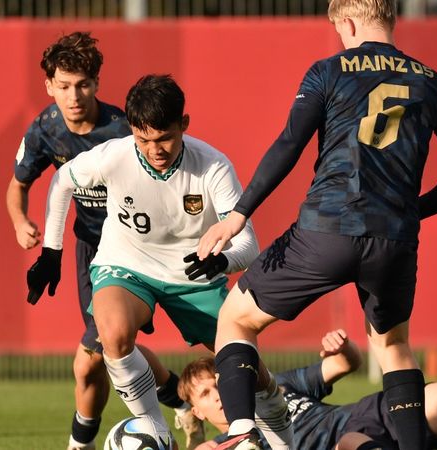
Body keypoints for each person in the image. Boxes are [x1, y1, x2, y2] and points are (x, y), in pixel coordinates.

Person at [195, 1, 437, 449]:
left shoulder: (329, 71)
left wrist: (238, 214)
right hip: (395, 240)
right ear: (390, 20)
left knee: (235, 320)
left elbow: (289, 144)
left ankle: (240, 431)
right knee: (393, 349)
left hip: (326, 230)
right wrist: (413, 211)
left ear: (346, 23)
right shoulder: (432, 82)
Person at [27, 74, 292, 450]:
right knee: (112, 333)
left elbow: (248, 242)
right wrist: (51, 252)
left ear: (183, 124)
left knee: (252, 375)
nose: (155, 149)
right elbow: (62, 183)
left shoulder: (212, 165)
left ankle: (283, 438)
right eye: (143, 139)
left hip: (195, 276)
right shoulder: (114, 156)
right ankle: (155, 429)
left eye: (165, 137)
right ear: (133, 130)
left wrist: (224, 262)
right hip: (127, 264)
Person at [7, 33, 202, 450]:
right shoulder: (45, 130)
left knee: (94, 356)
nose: (73, 95)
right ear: (49, 86)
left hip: (139, 248)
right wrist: (20, 221)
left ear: (96, 83)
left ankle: (84, 442)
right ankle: (177, 404)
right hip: (91, 253)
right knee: (105, 349)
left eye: (82, 84)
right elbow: (18, 185)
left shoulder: (123, 129)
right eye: (63, 85)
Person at [178, 329, 437, 450]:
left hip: (372, 413)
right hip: (348, 445)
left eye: (220, 384)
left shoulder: (277, 386)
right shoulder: (224, 445)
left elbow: (346, 365)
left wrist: (342, 348)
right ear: (197, 411)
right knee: (350, 444)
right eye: (207, 394)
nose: (219, 394)